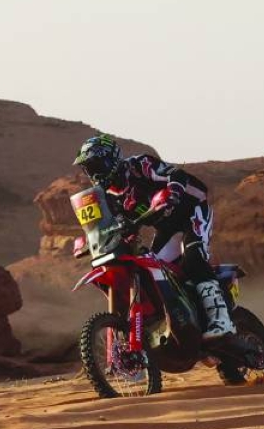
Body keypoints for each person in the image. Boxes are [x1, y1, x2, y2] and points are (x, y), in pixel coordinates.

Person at [72, 134, 234, 340]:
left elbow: (176, 174)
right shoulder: (109, 198)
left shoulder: (140, 165)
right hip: (167, 228)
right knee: (157, 270)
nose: (94, 173)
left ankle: (221, 320)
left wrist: (173, 192)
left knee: (193, 258)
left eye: (97, 165)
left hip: (192, 210)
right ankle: (185, 318)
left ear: (111, 159)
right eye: (89, 169)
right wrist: (94, 240)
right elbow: (116, 227)